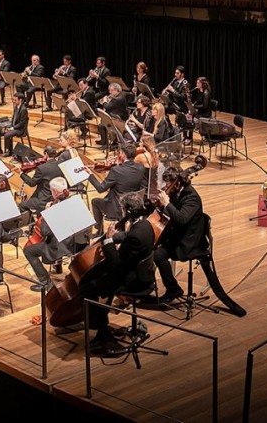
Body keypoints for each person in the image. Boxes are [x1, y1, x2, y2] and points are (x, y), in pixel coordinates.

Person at [154, 167, 247, 317]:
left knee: (158, 255)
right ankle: (171, 288)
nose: (166, 187)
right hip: (181, 236)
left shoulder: (192, 198)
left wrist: (167, 204)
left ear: (176, 184)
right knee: (157, 252)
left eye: (168, 184)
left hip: (190, 244)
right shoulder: (178, 192)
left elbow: (182, 219)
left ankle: (173, 289)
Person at [80, 191, 155, 356]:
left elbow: (116, 265)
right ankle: (100, 324)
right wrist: (114, 239)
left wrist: (108, 241)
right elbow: (128, 239)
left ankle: (102, 333)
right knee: (95, 279)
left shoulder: (135, 234)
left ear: (127, 210)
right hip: (142, 273)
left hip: (131, 279)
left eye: (122, 208)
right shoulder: (145, 225)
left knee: (88, 287)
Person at [24, 177, 77, 292]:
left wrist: (47, 212)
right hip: (73, 243)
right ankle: (58, 267)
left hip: (58, 247)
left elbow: (45, 232)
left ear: (55, 192)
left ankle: (45, 282)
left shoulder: (54, 208)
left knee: (28, 251)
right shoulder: (74, 201)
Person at [85, 144, 146, 235]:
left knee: (95, 201)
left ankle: (99, 231)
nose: (118, 154)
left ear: (124, 155)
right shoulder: (141, 167)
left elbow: (101, 188)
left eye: (120, 152)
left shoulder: (116, 170)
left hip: (117, 208)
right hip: (132, 204)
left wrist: (90, 175)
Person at [18, 145, 64, 213]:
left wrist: (21, 174)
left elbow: (32, 183)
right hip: (56, 197)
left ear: (46, 154)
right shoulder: (61, 164)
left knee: (21, 205)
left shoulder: (41, 168)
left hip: (43, 200)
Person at [0, 93, 28, 157]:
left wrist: (11, 128)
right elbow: (14, 119)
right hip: (13, 127)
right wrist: (7, 127)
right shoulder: (16, 107)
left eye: (15, 100)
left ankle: (9, 151)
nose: (13, 101)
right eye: (13, 99)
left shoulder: (23, 109)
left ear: (20, 100)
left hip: (20, 129)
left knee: (7, 135)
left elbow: (22, 123)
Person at [134, 134, 161, 202]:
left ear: (143, 144)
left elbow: (130, 166)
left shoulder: (141, 157)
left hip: (142, 185)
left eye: (140, 142)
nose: (139, 144)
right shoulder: (156, 153)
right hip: (152, 183)